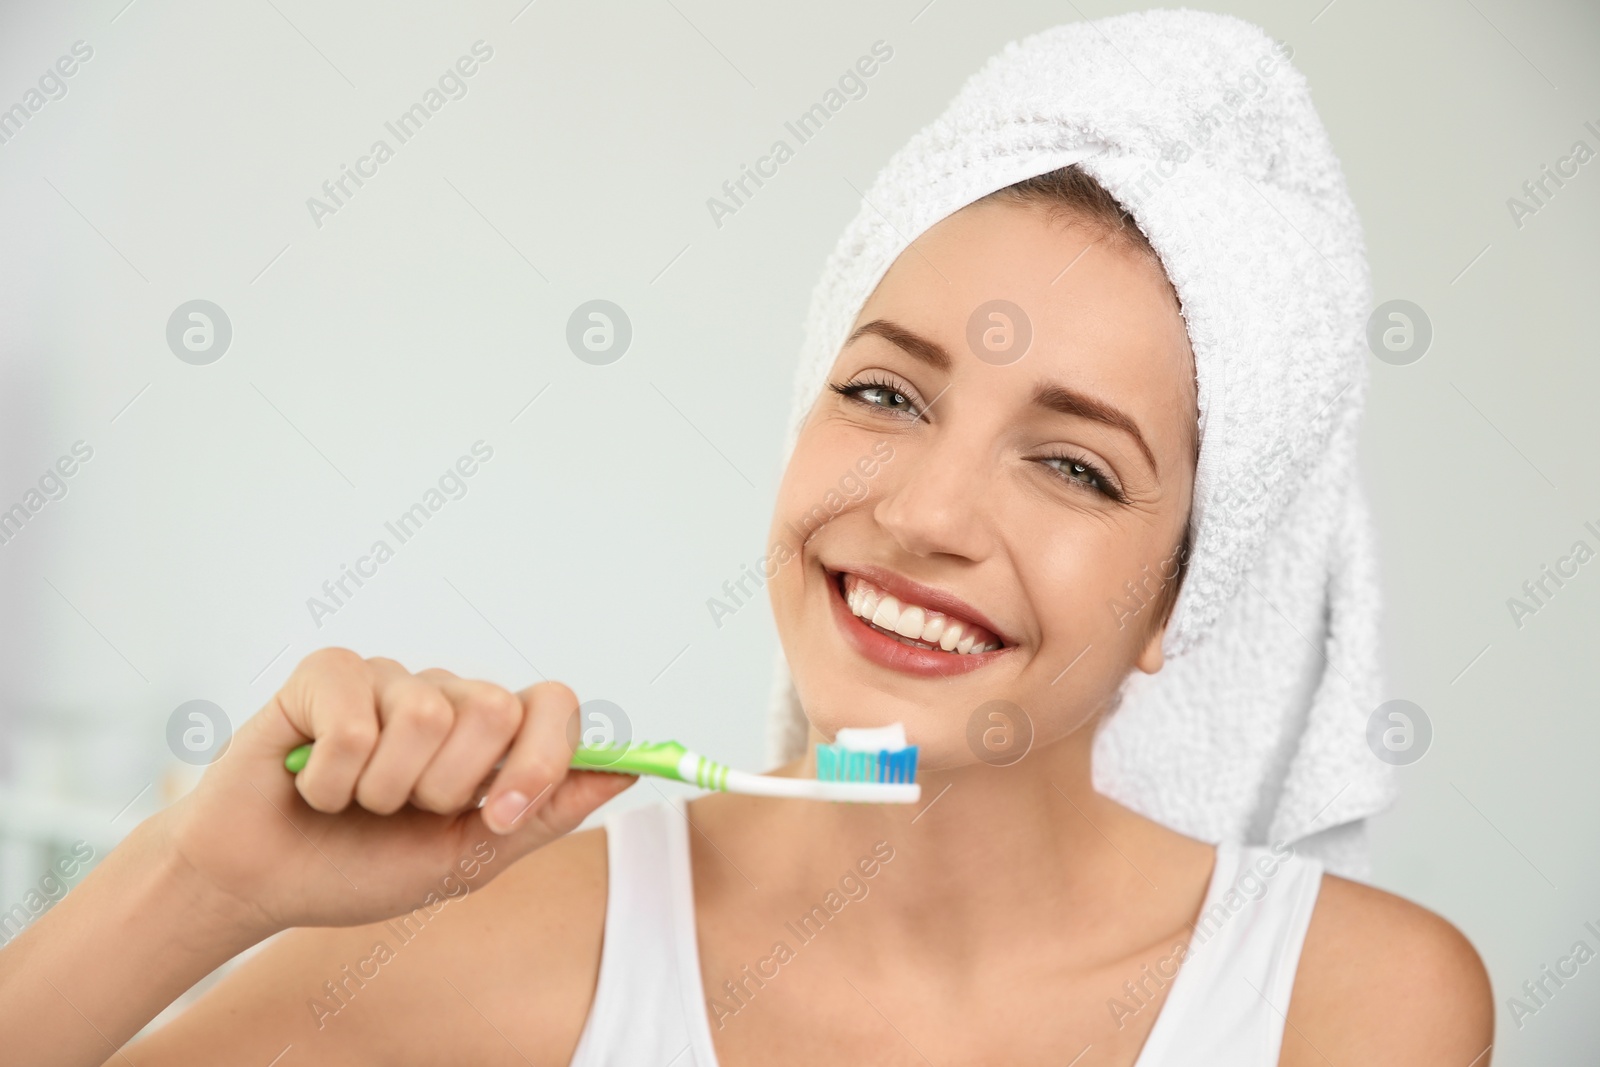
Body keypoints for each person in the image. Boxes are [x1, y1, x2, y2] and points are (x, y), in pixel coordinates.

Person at [0, 17, 1494, 1067]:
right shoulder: (503, 943)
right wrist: (203, 882)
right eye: (886, 392)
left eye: (1074, 466)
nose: (922, 513)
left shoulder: (1348, 1005)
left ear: (1189, 584)